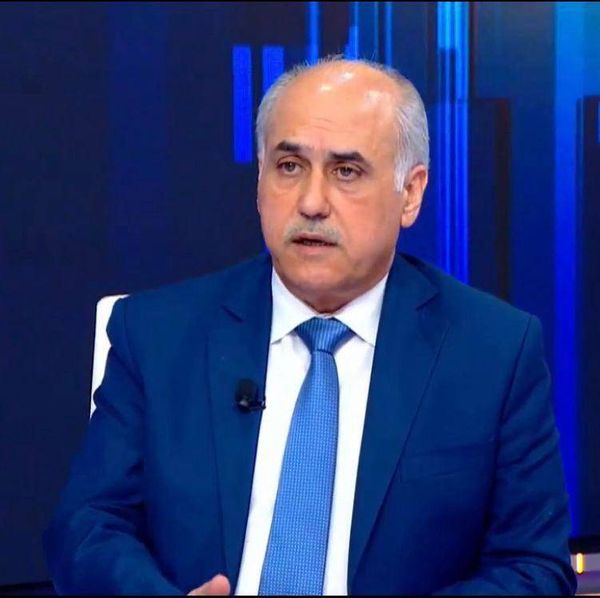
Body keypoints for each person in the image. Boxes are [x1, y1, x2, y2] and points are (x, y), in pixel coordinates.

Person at [44, 57, 576, 595]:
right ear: (259, 180)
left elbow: (532, 567)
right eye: (289, 166)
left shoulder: (494, 352)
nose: (311, 202)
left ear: (411, 193)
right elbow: (87, 528)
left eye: (346, 172)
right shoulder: (156, 334)